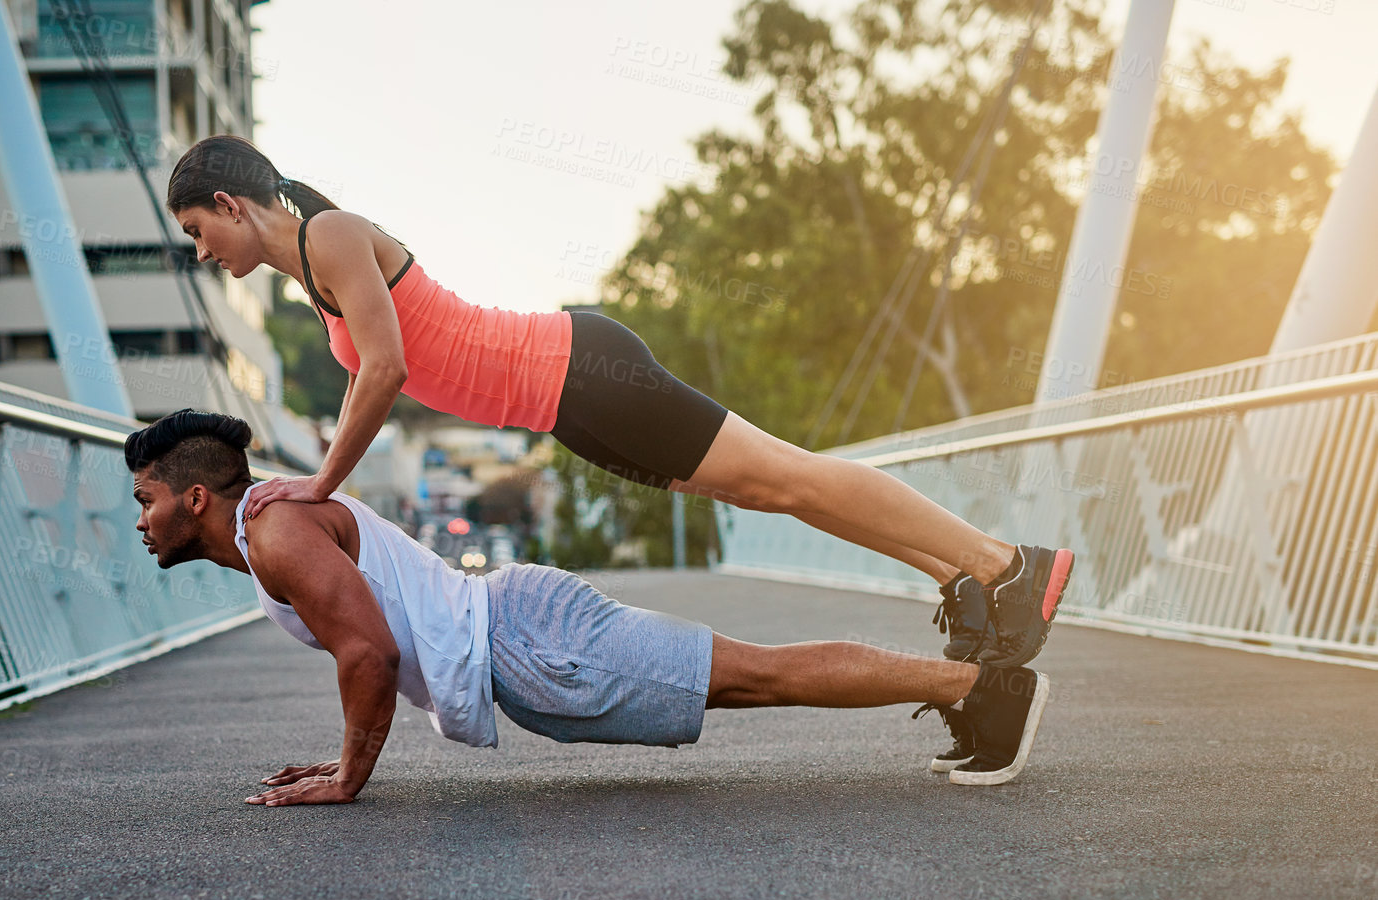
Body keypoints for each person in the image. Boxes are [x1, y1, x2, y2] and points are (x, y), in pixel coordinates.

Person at [162, 135, 1073, 770]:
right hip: (569, 406)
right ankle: (960, 574)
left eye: (199, 231)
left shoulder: (330, 236)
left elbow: (389, 366)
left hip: (583, 370)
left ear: (232, 204)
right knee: (768, 493)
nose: (204, 253)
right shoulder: (312, 283)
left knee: (784, 476)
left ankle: (1002, 562)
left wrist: (320, 481)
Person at [125, 410, 1052, 805]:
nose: (141, 519)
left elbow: (364, 651)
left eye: (145, 500)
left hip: (532, 645)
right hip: (525, 637)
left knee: (756, 677)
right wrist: (344, 751)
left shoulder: (275, 532)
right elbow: (374, 640)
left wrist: (348, 777)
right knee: (746, 682)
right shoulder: (268, 528)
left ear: (193, 497)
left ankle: (985, 687)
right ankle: (977, 689)